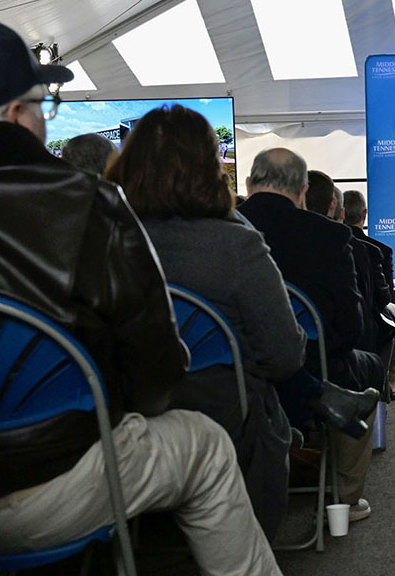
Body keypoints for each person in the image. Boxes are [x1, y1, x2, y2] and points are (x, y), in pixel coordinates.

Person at [0, 22, 285, 576]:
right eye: (43, 108)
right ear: (17, 114)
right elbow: (155, 377)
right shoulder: (86, 206)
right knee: (206, 445)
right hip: (52, 486)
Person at [105, 104, 307, 539]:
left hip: (118, 422)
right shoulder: (235, 245)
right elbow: (285, 356)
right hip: (228, 422)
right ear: (209, 168)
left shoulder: (98, 241)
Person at [239, 149, 385, 523]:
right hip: (315, 367)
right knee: (366, 367)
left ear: (249, 185)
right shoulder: (330, 236)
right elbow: (353, 329)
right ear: (303, 191)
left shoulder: (221, 232)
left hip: (234, 373)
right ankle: (344, 498)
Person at [344, 189, 395, 400]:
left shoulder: (319, 246)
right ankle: (390, 382)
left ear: (339, 212)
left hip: (335, 319)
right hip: (370, 320)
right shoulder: (379, 250)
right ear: (365, 214)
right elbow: (385, 299)